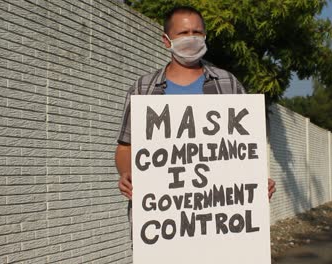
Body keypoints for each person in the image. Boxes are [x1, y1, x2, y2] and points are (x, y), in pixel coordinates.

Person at [115, 6, 276, 221]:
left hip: (221, 221)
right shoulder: (142, 89)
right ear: (166, 40)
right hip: (161, 222)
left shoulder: (228, 85)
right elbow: (126, 147)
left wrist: (257, 182)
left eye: (197, 32)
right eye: (183, 33)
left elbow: (245, 150)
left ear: (205, 37)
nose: (191, 38)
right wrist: (126, 173)